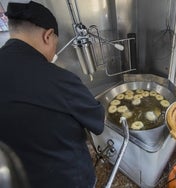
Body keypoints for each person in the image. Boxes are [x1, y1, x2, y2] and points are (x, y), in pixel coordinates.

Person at [0, 1, 105, 188]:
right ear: (48, 36)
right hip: (67, 179)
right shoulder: (60, 80)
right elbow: (97, 120)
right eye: (56, 44)